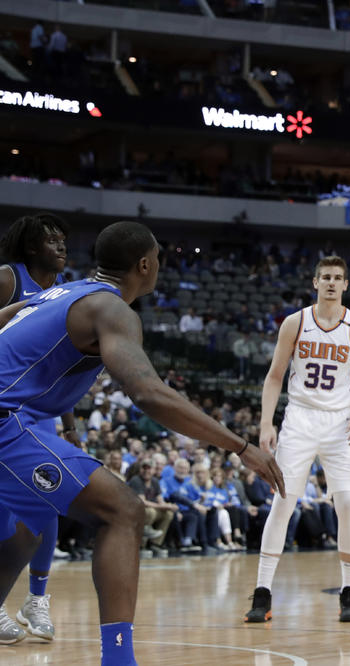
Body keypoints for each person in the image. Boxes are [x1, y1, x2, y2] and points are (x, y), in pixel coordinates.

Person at [0, 221, 283, 665]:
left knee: (29, 526)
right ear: (146, 265)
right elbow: (148, 394)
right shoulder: (112, 310)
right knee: (124, 511)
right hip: (5, 421)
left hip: (17, 421)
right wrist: (240, 447)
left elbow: (8, 317)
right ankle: (119, 660)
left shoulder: (64, 291)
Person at [244, 256, 350, 626]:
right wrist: (266, 422)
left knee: (347, 503)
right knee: (283, 502)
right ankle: (262, 593)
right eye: (326, 277)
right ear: (314, 282)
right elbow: (274, 377)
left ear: (346, 285)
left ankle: (349, 593)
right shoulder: (295, 322)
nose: (332, 283)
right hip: (299, 417)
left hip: (340, 422)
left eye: (338, 278)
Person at [0, 212, 76, 642]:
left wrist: (70, 425)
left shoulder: (63, 293)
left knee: (50, 498)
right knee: (5, 510)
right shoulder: (9, 279)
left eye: (64, 240)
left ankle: (37, 599)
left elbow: (61, 369)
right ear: (31, 247)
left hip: (42, 413)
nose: (61, 247)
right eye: (51, 240)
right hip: (5, 406)